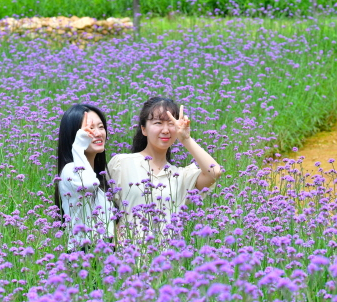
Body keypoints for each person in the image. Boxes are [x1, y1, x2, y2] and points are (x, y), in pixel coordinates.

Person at [108, 97, 222, 237]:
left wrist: (186, 139)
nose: (166, 130)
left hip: (166, 256)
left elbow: (214, 172)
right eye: (158, 123)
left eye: (171, 123)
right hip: (126, 255)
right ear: (144, 129)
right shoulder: (122, 163)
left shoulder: (180, 176)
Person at [55, 104, 116, 251]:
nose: (98, 133)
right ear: (74, 135)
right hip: (83, 253)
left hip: (104, 251)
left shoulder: (98, 175)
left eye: (101, 127)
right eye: (89, 128)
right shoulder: (70, 171)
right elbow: (88, 185)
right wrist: (78, 147)